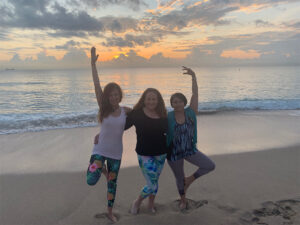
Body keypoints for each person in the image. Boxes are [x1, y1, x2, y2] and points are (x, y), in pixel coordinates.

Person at [86, 47, 131, 222]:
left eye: (116, 94)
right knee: (91, 179)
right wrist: (92, 64)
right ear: (107, 96)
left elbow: (142, 117)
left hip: (116, 153)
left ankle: (110, 212)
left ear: (119, 95)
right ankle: (104, 172)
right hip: (100, 149)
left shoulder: (126, 111)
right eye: (110, 95)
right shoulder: (103, 108)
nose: (113, 97)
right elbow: (96, 85)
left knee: (112, 185)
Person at [167, 66, 215, 210]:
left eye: (180, 101)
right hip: (174, 153)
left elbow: (195, 93)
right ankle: (183, 199)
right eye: (174, 102)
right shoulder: (168, 117)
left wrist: (193, 76)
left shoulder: (191, 112)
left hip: (190, 150)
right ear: (171, 104)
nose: (177, 103)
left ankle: (190, 179)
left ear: (184, 102)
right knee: (179, 178)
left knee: (209, 165)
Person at [124, 88, 168, 214]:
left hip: (161, 153)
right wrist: (120, 111)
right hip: (144, 153)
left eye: (154, 99)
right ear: (144, 100)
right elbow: (122, 126)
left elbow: (168, 133)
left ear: (158, 100)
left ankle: (150, 205)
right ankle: (137, 201)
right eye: (148, 99)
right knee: (152, 184)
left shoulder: (163, 114)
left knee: (154, 182)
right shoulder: (136, 113)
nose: (151, 101)